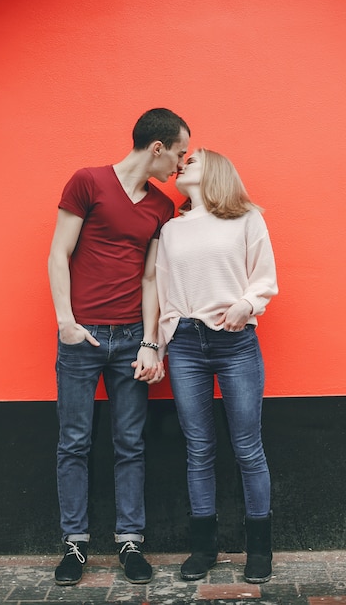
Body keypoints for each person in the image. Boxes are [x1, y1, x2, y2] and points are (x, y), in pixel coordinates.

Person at [48, 108, 190, 587]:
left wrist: (152, 344)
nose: (179, 164)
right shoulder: (87, 182)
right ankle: (74, 544)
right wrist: (66, 323)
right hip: (82, 337)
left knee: (130, 443)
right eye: (178, 152)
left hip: (131, 338)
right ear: (157, 148)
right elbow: (58, 254)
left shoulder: (161, 207)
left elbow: (151, 277)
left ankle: (130, 541)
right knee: (74, 442)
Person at [155, 148, 278, 584]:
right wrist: (161, 340)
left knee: (248, 448)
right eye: (181, 159)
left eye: (194, 159)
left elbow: (264, 276)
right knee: (199, 449)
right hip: (186, 343)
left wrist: (247, 304)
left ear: (217, 171)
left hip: (235, 342)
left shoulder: (246, 219)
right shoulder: (171, 229)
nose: (182, 163)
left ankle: (259, 550)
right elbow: (164, 289)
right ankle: (204, 548)